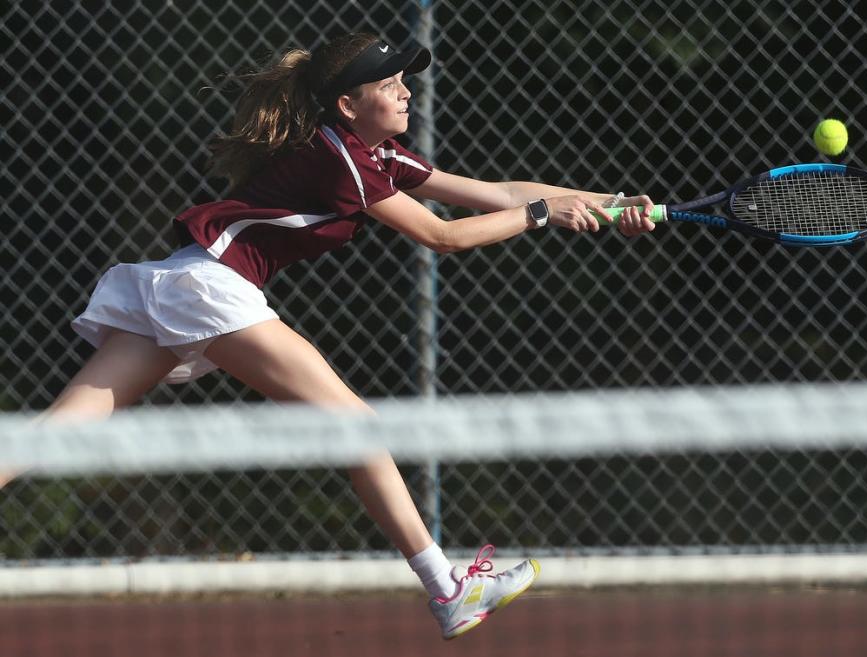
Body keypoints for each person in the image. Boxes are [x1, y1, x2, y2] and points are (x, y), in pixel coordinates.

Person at [39, 32, 656, 639]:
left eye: (402, 80)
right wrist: (542, 216)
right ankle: (448, 589)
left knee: (59, 429)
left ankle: (447, 589)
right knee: (356, 427)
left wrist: (614, 202)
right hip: (209, 286)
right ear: (348, 105)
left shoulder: (377, 155)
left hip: (183, 280)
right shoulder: (342, 158)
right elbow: (443, 237)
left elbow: (499, 193)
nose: (405, 91)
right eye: (388, 84)